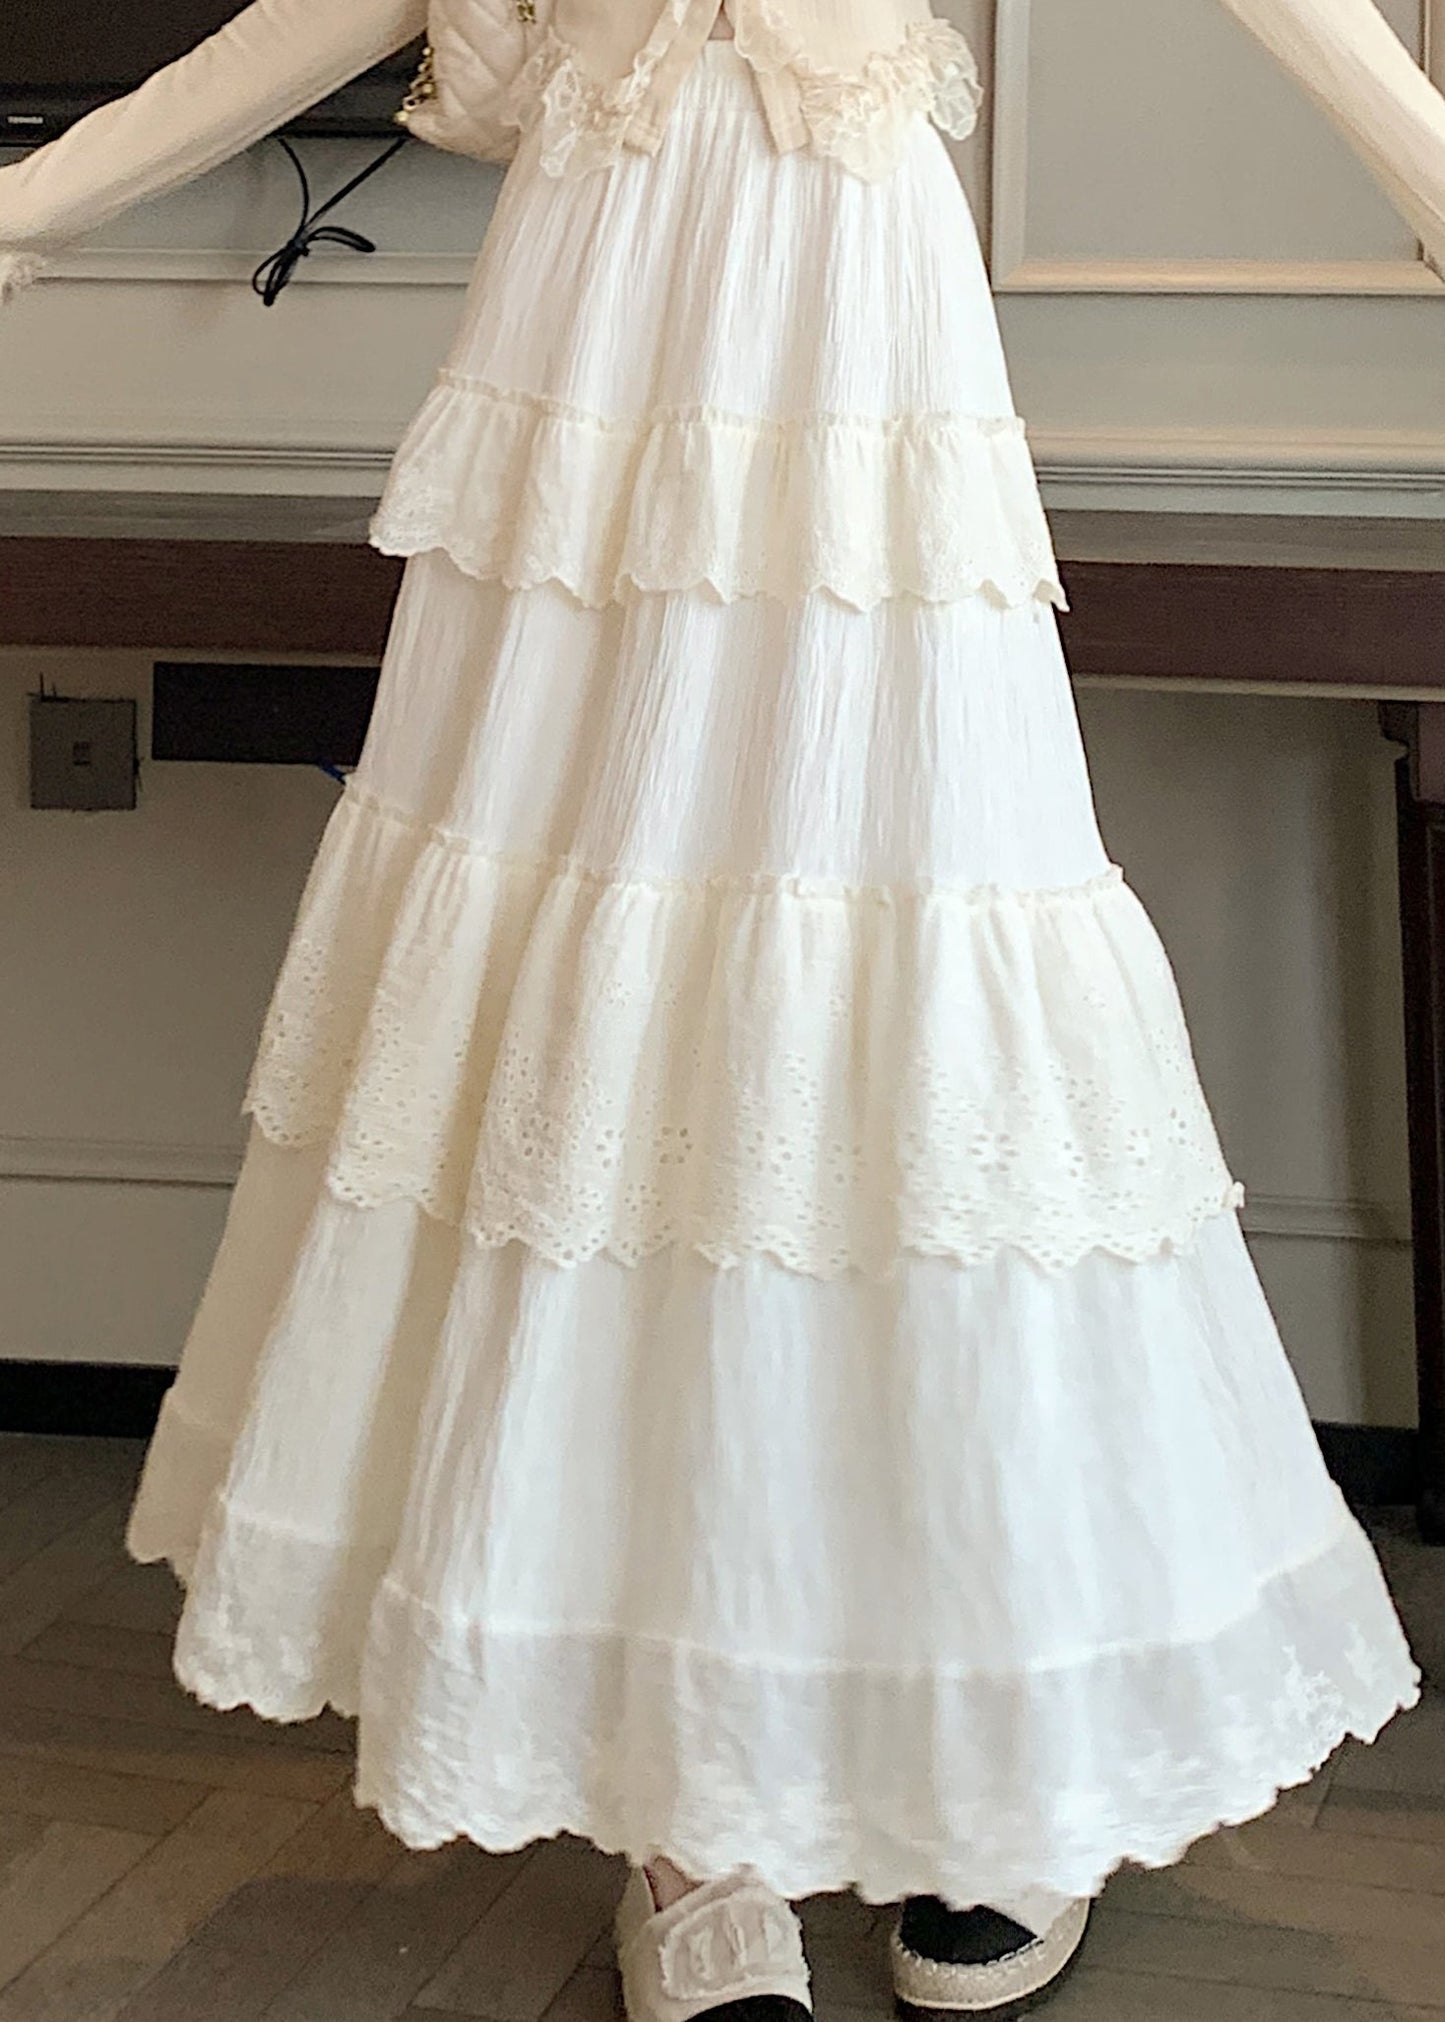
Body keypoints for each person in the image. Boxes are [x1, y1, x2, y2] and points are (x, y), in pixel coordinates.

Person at [2, 4, 1439, 2017]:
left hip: (857, 343)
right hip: (592, 356)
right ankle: (695, 1811)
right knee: (618, 1064)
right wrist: (32, 208)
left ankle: (991, 1749)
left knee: (926, 1053)